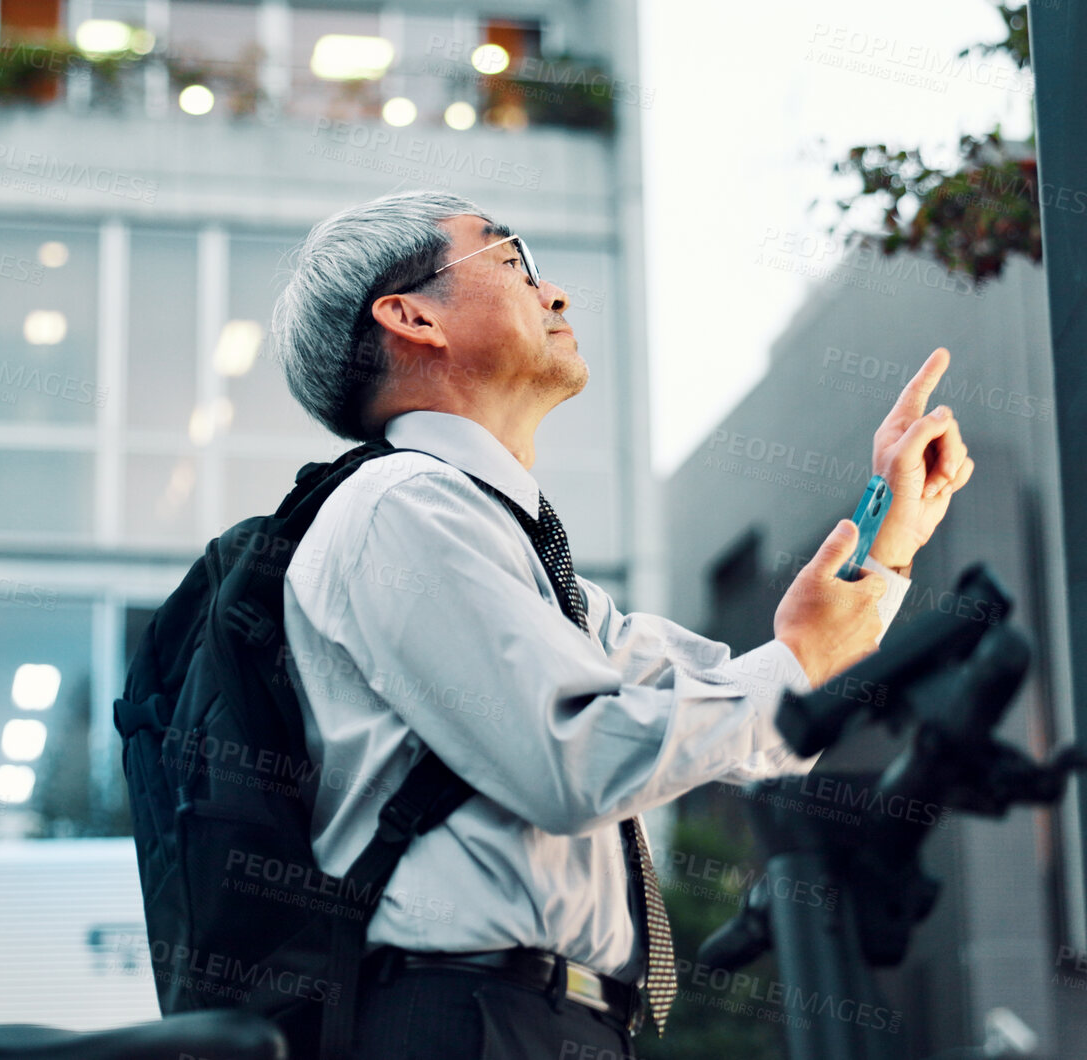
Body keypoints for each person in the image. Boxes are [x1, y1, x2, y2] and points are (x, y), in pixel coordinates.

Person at [265, 190, 974, 1060]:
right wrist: (795, 662)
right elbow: (576, 758)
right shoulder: (401, 507)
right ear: (411, 316)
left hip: (545, 1018)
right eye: (513, 260)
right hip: (464, 1017)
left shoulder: (504, 543)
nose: (554, 294)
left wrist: (886, 542)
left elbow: (754, 732)